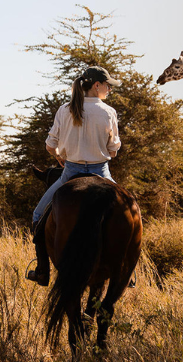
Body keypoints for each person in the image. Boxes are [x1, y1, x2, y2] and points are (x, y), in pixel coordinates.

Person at [26, 65, 122, 286]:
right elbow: (113, 150)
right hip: (102, 173)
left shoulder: (64, 109)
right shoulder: (108, 112)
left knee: (38, 216)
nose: (109, 89)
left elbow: (50, 145)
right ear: (96, 85)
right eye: (107, 85)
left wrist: (62, 155)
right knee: (132, 211)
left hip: (70, 172)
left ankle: (42, 271)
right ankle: (127, 272)